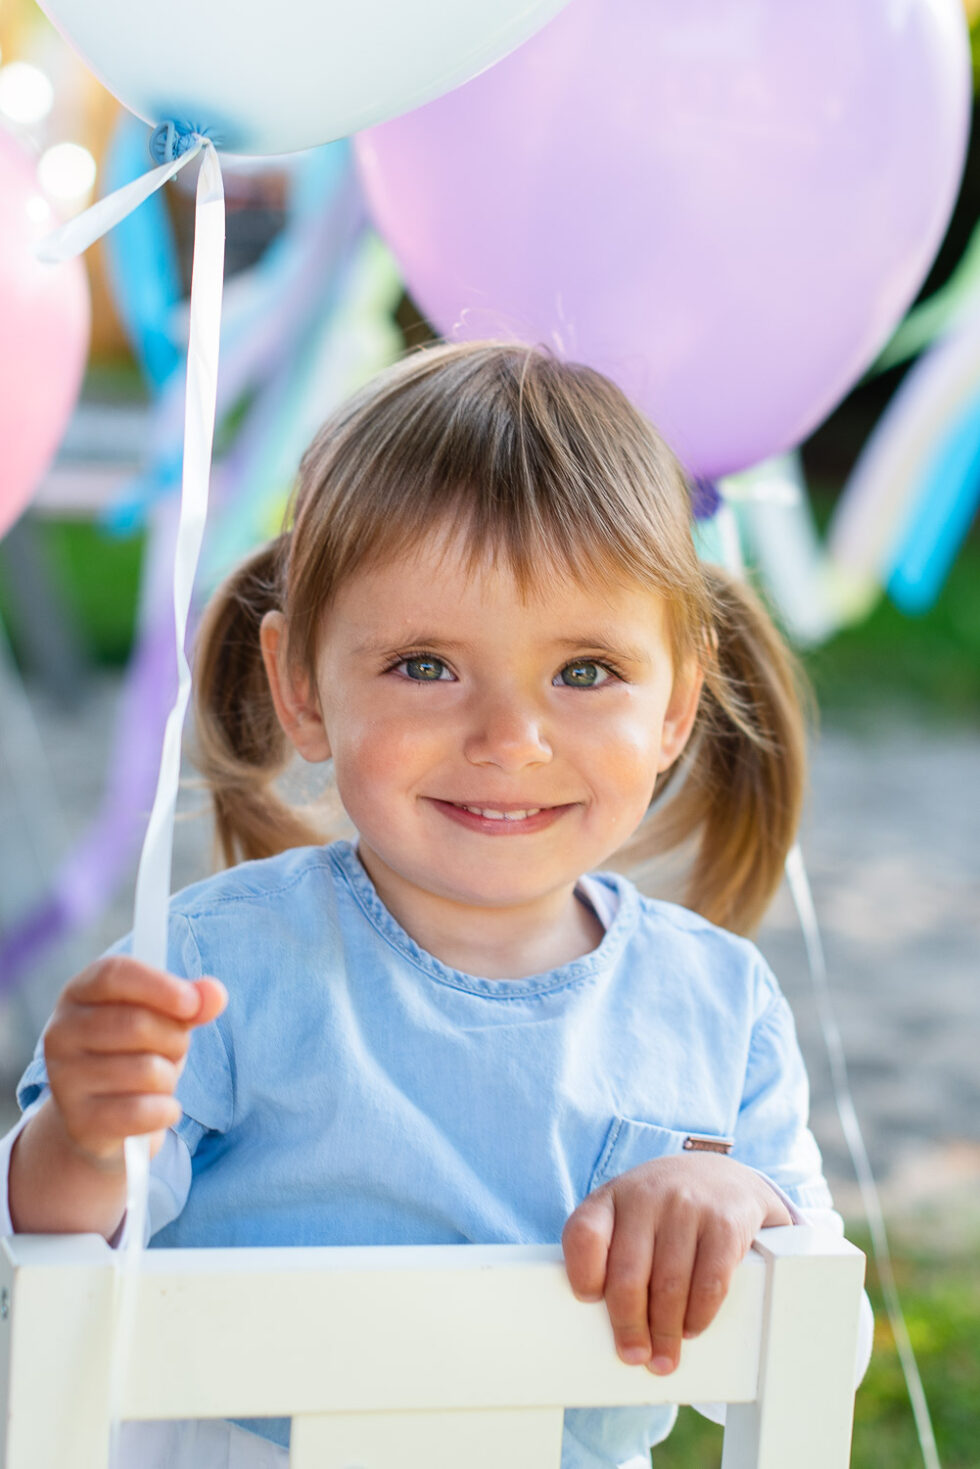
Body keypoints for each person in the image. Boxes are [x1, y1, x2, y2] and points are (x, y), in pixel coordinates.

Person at [1, 343, 868, 1468]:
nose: (508, 737)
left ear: (675, 706)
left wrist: (737, 1198)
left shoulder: (715, 1004)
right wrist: (81, 1132)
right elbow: (50, 1263)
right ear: (302, 686)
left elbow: (815, 1338)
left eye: (586, 670)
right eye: (423, 665)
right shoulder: (211, 974)